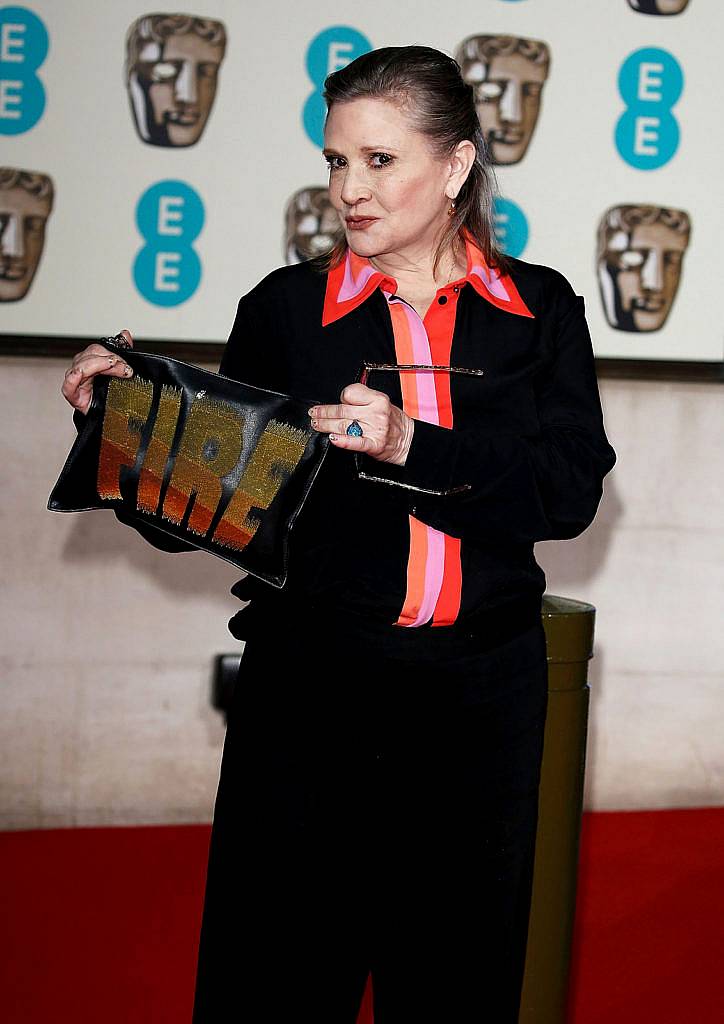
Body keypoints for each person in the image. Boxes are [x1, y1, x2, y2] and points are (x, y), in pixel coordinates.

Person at [62, 45, 617, 1024]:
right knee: (273, 987)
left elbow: (567, 492)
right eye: (333, 161)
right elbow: (212, 512)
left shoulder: (538, 311)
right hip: (310, 704)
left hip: (480, 713)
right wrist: (124, 421)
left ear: (455, 167)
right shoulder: (286, 311)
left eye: (378, 161)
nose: (347, 191)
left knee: (454, 992)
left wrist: (412, 443)